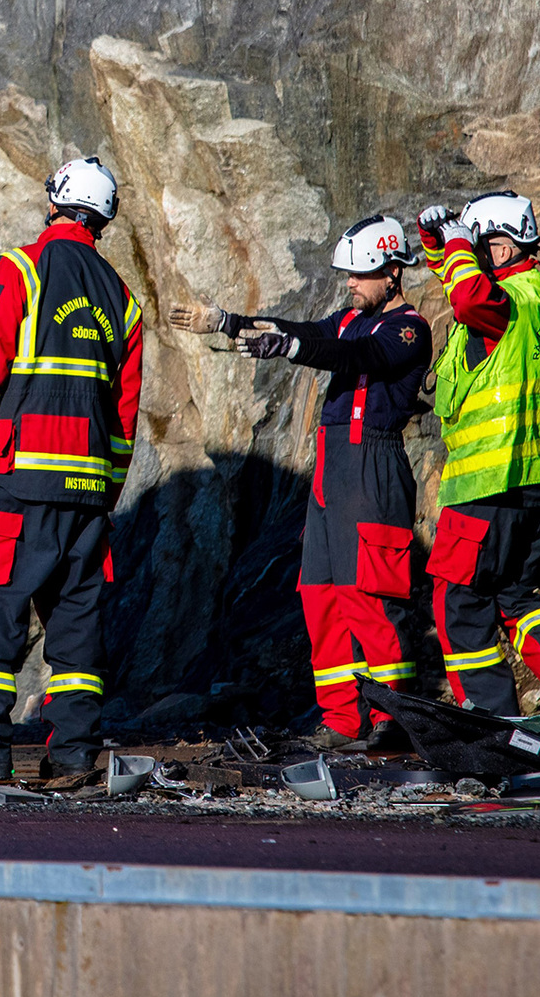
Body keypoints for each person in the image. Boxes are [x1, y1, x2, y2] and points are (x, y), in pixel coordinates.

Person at [0, 158, 143, 783]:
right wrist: (104, 492)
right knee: (75, 627)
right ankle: (72, 754)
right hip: (88, 494)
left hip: (16, 483)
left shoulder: (20, 269)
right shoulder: (122, 297)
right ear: (102, 217)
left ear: (56, 203)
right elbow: (124, 414)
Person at [171, 216, 431, 751]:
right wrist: (225, 321)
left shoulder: (407, 329)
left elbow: (358, 357)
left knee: (372, 600)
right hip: (331, 477)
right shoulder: (350, 319)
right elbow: (304, 332)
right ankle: (342, 721)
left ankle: (392, 721)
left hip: (372, 469)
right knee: (320, 598)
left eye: (361, 276)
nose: (351, 284)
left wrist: (289, 349)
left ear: (393, 273)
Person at [417, 191, 540, 712]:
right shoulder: (530, 293)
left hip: (486, 487)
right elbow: (463, 282)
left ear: (496, 250)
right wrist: (439, 240)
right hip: (532, 487)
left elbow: (470, 297)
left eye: (479, 247)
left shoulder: (498, 302)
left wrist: (455, 240)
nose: (470, 258)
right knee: (517, 601)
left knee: (460, 603)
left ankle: (491, 717)